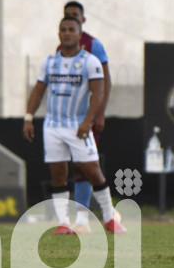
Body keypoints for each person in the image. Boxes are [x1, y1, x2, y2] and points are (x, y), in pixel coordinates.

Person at [23, 16, 125, 234]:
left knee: (92, 170)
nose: (67, 32)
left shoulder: (90, 61)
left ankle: (109, 217)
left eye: (71, 29)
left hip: (77, 125)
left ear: (80, 35)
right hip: (52, 126)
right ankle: (64, 223)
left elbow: (98, 92)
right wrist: (28, 117)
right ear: (59, 34)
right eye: (63, 29)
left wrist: (88, 120)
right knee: (58, 173)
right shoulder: (49, 62)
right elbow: (39, 90)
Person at [59, 0, 112, 233]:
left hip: (87, 116)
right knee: (75, 166)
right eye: (68, 16)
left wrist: (99, 113)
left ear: (83, 19)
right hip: (67, 117)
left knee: (87, 165)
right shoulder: (61, 49)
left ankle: (89, 217)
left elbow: (105, 81)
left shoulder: (94, 45)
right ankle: (80, 219)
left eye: (76, 16)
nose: (72, 18)